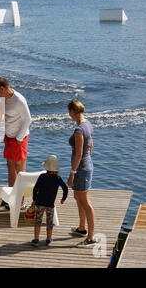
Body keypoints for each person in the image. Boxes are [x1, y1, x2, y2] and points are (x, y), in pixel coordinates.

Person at [0, 77, 32, 209]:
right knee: (10, 167)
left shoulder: (19, 100)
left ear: (3, 89)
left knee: (20, 170)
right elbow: (2, 116)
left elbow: (28, 120)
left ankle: (20, 202)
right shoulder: (2, 99)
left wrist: (19, 139)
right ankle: (11, 198)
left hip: (19, 139)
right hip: (8, 137)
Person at [67, 99, 96, 248]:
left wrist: (72, 173)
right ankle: (81, 228)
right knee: (78, 196)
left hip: (81, 168)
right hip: (86, 165)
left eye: (69, 112)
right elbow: (90, 146)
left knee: (85, 201)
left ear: (72, 111)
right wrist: (87, 159)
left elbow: (78, 154)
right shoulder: (87, 124)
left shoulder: (79, 130)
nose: (69, 115)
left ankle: (91, 238)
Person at [31, 155, 68, 247]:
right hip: (50, 205)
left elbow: (35, 189)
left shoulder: (42, 176)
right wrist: (63, 198)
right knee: (49, 222)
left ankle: (36, 238)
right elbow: (65, 188)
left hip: (39, 203)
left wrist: (34, 199)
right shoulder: (57, 178)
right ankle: (48, 239)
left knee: (38, 221)